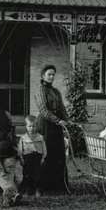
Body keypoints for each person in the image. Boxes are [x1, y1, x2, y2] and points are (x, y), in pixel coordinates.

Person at [35, 65, 69, 193]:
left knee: (59, 155)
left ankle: (58, 187)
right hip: (45, 126)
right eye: (49, 74)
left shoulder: (56, 91)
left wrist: (67, 120)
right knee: (46, 155)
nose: (51, 77)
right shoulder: (40, 90)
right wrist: (58, 120)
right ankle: (42, 187)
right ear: (43, 76)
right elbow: (44, 111)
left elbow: (62, 108)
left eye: (53, 74)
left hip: (56, 127)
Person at [17, 115, 47, 201]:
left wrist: (43, 158)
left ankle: (37, 191)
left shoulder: (40, 137)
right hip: (27, 158)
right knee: (27, 175)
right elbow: (20, 150)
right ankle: (22, 191)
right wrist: (21, 159)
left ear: (37, 126)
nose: (32, 128)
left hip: (37, 158)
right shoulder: (23, 138)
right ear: (26, 127)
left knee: (37, 175)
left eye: (34, 126)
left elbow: (44, 149)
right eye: (29, 126)